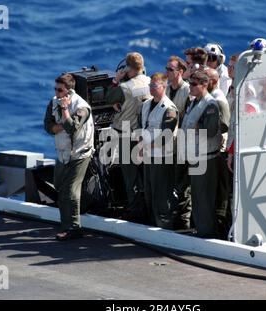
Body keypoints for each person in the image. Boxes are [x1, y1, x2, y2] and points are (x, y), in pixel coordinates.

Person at [44, 73, 94, 241]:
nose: (56, 93)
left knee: (71, 191)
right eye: (55, 89)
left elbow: (73, 127)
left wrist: (65, 111)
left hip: (79, 153)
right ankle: (66, 225)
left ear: (69, 91)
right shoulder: (53, 102)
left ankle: (74, 228)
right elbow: (48, 126)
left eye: (60, 90)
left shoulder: (82, 107)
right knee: (59, 186)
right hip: (63, 153)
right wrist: (59, 127)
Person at [105, 52, 151, 222]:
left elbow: (108, 98)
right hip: (143, 134)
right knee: (143, 173)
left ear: (128, 68)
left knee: (130, 175)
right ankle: (146, 207)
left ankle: (134, 210)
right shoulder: (149, 82)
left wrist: (116, 80)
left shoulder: (125, 88)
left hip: (126, 134)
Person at [179, 70, 221, 238]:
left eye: (194, 84)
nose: (191, 86)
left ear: (204, 85)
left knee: (204, 197)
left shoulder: (210, 104)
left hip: (205, 158)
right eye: (190, 83)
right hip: (194, 155)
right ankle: (200, 229)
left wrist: (197, 127)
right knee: (196, 195)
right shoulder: (193, 102)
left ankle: (207, 233)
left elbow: (210, 131)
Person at [141, 73, 178, 229]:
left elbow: (166, 136)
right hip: (149, 155)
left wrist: (146, 146)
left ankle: (164, 226)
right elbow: (143, 126)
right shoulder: (146, 104)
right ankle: (152, 225)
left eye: (154, 86)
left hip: (163, 157)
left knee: (162, 194)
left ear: (164, 87)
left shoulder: (169, 109)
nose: (151, 88)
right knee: (149, 191)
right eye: (150, 85)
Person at [165, 56, 192, 230]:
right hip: (169, 145)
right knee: (171, 181)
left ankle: (184, 221)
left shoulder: (187, 90)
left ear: (180, 72)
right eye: (166, 69)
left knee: (183, 185)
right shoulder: (167, 89)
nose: (166, 72)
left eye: (170, 69)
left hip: (182, 143)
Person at [206, 68, 231, 239]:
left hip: (220, 153)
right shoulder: (211, 98)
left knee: (221, 194)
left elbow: (224, 126)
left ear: (214, 81)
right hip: (214, 150)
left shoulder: (218, 99)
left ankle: (221, 230)